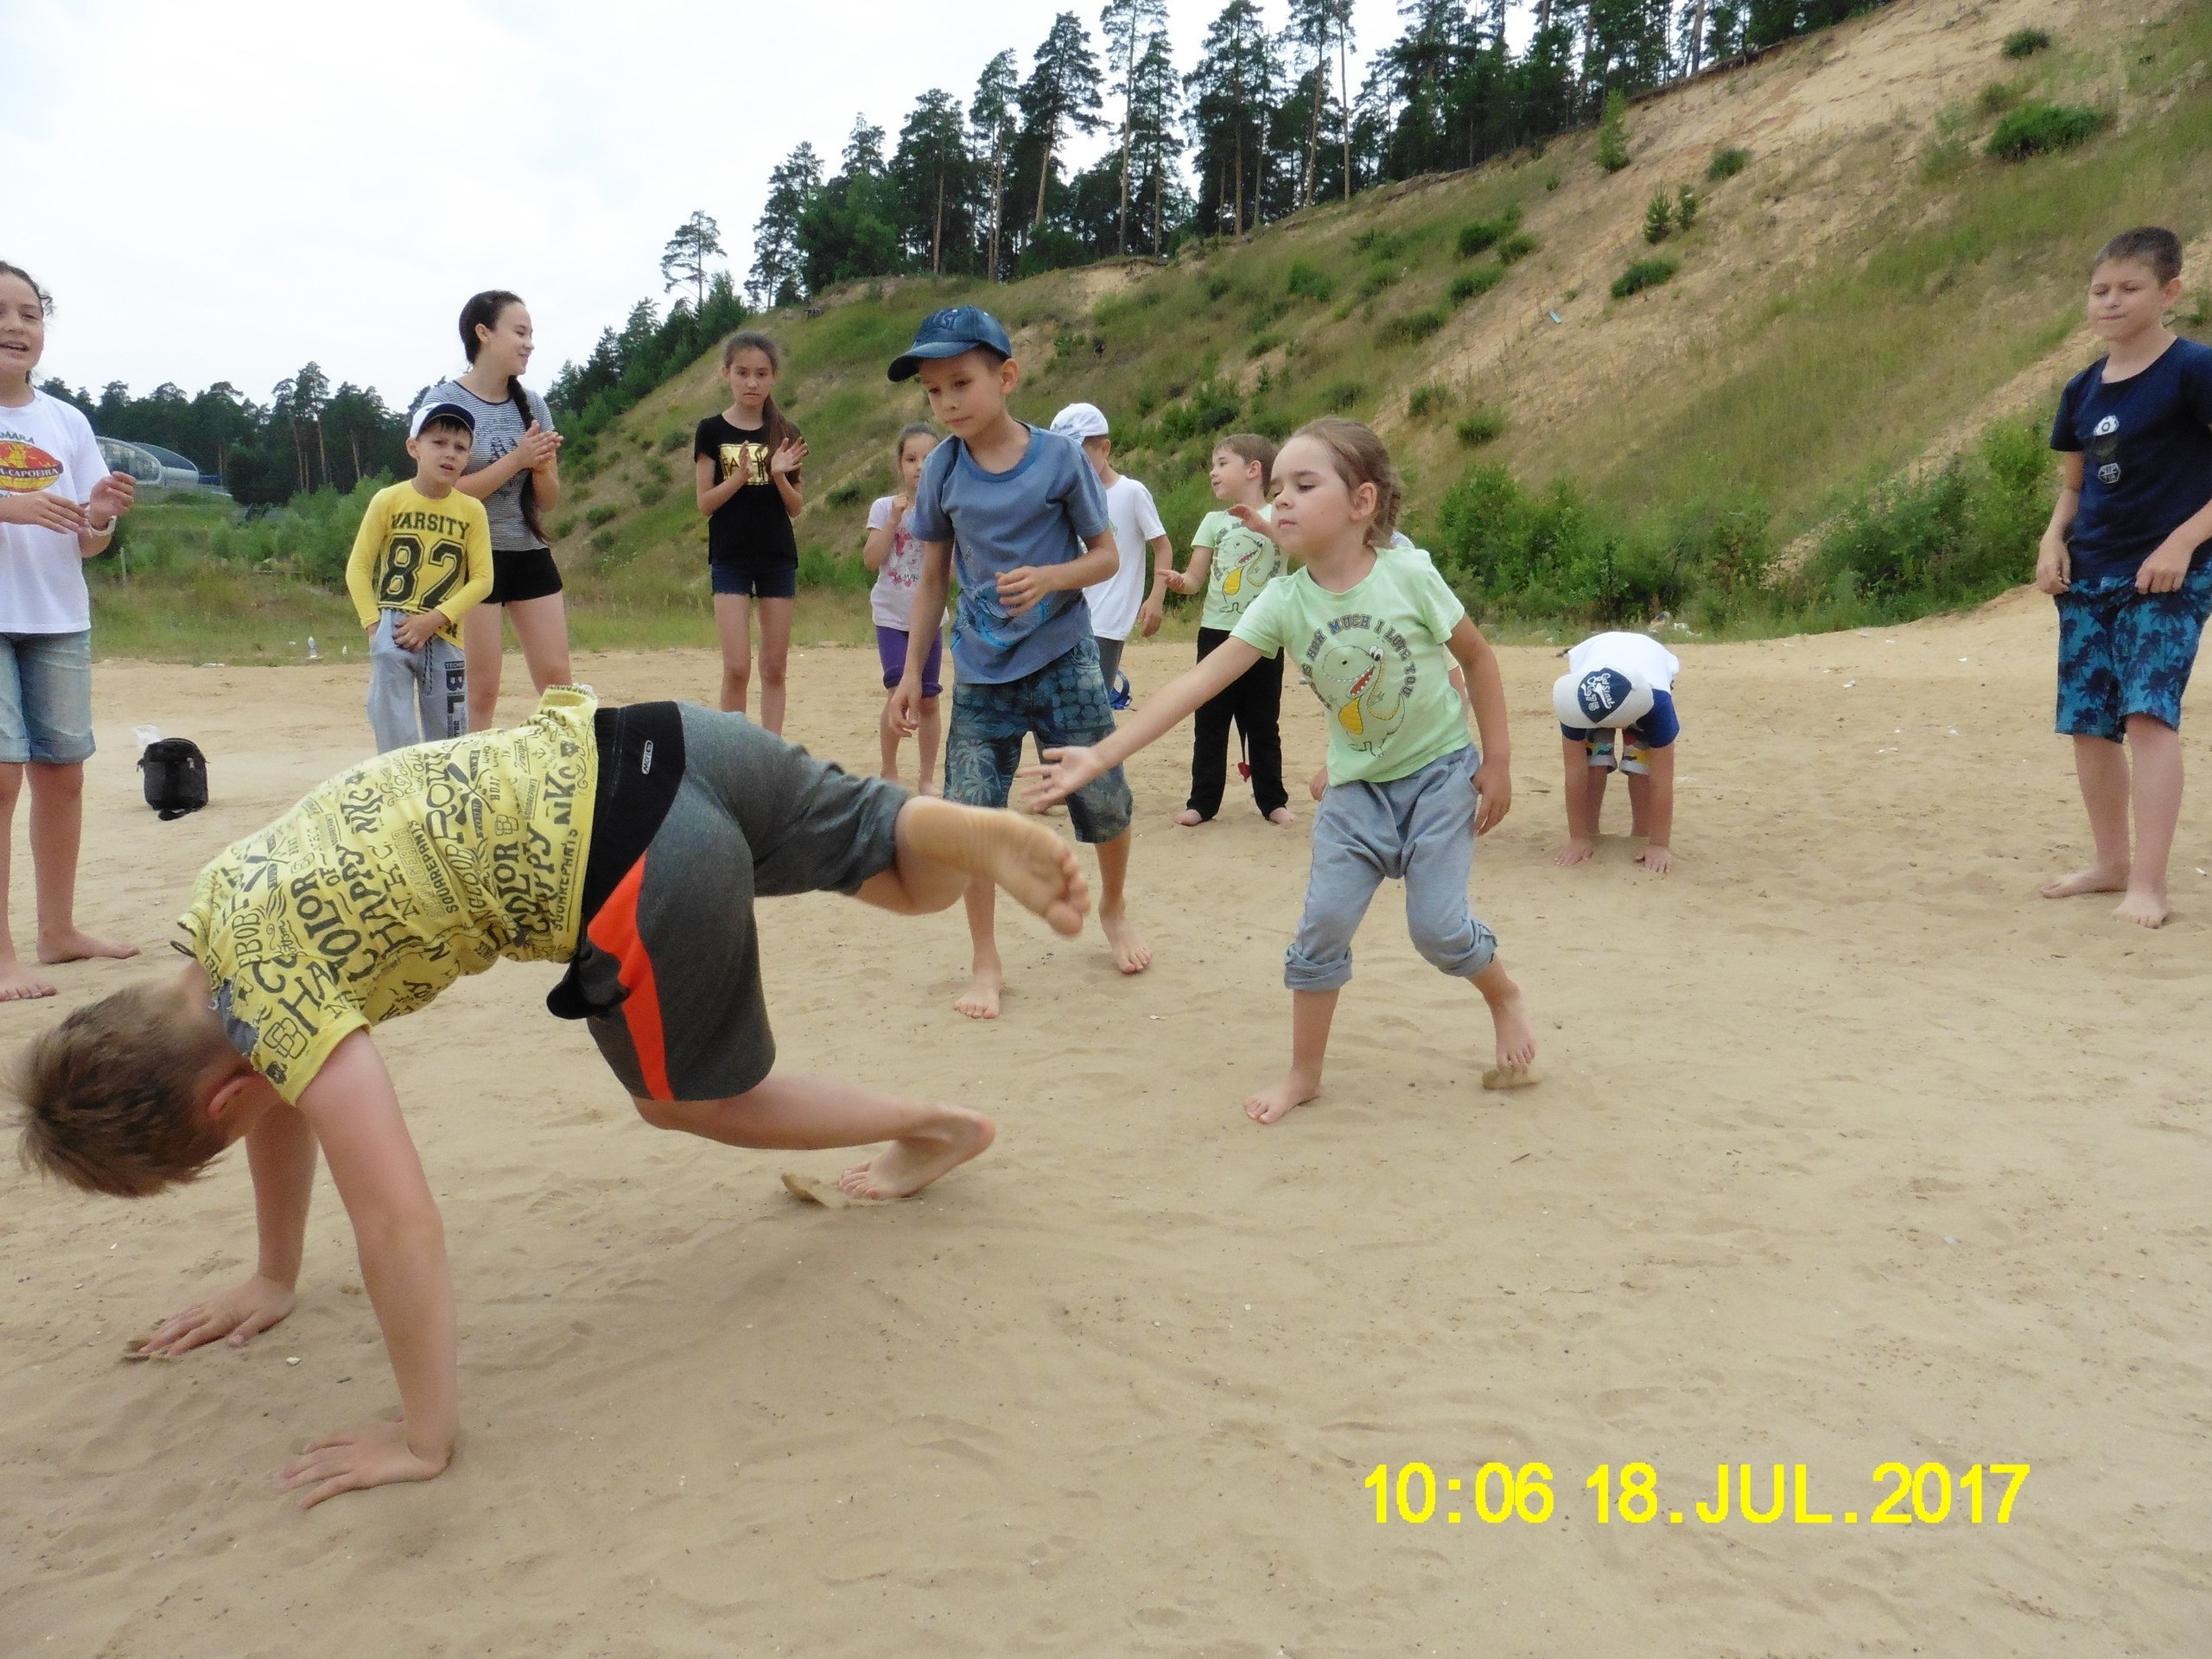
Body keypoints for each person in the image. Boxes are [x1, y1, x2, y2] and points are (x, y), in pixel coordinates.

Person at [10, 686, 1090, 1509]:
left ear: (220, 1102)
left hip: (638, 860)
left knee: (687, 1097)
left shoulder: (277, 1024)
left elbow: (395, 1220)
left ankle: (936, 1125)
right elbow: (271, 1096)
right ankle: (943, 831)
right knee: (897, 874)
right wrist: (273, 1272)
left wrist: (421, 1436)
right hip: (657, 739)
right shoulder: (216, 915)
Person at [1027, 418, 1536, 1123]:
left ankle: (1502, 995)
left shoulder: (1409, 574)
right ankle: (1305, 1074)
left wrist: (1499, 762)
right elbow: (1195, 686)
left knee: (1438, 930)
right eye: (1277, 490)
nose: (1281, 504)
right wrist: (1103, 752)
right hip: (1357, 791)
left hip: (1439, 777)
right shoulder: (1284, 601)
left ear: (1361, 504)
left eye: (1304, 486)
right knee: (1321, 928)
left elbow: (1478, 660)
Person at [885, 307, 1150, 1019]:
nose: (947, 403)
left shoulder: (1061, 460)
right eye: (934, 391)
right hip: (980, 671)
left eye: (961, 384)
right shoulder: (940, 469)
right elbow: (933, 578)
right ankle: (985, 959)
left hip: (1064, 658)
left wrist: (1050, 577)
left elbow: (1107, 556)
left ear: (1006, 376)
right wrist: (914, 673)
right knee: (975, 819)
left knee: (1104, 798)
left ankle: (1115, 908)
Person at [2035, 226, 2212, 929]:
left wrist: (2182, 542)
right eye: (2100, 289)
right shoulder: (2081, 388)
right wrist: (2053, 540)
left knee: (2147, 714)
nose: (2111, 301)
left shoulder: (2194, 369)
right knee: (2088, 723)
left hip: (2170, 576)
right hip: (2091, 573)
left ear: (2169, 291)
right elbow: (2075, 488)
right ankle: (2110, 865)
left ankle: (2149, 883)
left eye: (2129, 288)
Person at [0, 261, 140, 1001]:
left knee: (64, 773)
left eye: (29, 313)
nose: (15, 326)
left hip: (56, 615)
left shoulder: (66, 421)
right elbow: (22, 510)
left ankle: (58, 931)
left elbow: (91, 540)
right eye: (1, 311)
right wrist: (12, 506)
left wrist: (103, 511)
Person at [428, 290, 568, 732]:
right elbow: (440, 492)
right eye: (520, 332)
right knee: (480, 691)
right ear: (483, 334)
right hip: (468, 558)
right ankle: (470, 788)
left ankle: (568, 779)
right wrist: (518, 459)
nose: (529, 344)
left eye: (532, 335)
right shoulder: (447, 402)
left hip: (527, 550)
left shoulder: (535, 405)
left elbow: (548, 501)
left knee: (559, 686)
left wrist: (541, 467)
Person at [1147, 434, 1293, 827]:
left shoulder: (1280, 514)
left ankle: (1272, 801)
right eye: (1213, 465)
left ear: (1253, 470)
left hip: (1263, 635)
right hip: (1216, 633)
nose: (1213, 472)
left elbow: (1295, 547)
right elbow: (1197, 578)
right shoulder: (1213, 522)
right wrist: (1182, 582)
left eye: (1222, 463)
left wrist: (1262, 524)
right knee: (1210, 721)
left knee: (1263, 723)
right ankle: (1203, 802)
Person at [344, 401, 493, 753]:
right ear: (414, 447)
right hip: (393, 628)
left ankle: (447, 803)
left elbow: (483, 579)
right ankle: (402, 803)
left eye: (460, 447)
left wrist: (435, 619)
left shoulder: (472, 511)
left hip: (446, 634)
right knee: (394, 736)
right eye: (438, 443)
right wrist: (373, 626)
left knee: (451, 742)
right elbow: (359, 567)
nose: (449, 454)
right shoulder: (388, 500)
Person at [695, 332, 806, 731]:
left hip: (777, 556)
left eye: (761, 374)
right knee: (737, 667)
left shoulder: (786, 431)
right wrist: (739, 477)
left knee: (774, 669)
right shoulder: (711, 430)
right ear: (726, 374)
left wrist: (777, 475)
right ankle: (732, 754)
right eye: (742, 373)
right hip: (730, 558)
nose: (751, 382)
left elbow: (795, 507)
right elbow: (704, 503)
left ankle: (772, 756)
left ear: (774, 377)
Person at [1049, 402, 1170, 697]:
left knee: (1092, 701)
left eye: (1081, 454)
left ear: (1105, 448)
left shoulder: (1131, 493)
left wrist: (1156, 598)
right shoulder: (1066, 497)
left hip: (1108, 619)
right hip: (1069, 615)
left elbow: (1162, 547)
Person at [1548, 630, 1681, 874]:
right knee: (1593, 762)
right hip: (1595, 665)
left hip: (1646, 676)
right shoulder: (1575, 699)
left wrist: (1659, 844)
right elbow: (1575, 772)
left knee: (1641, 763)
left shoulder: (1659, 706)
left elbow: (1662, 781)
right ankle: (1589, 833)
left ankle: (1642, 835)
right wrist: (1577, 837)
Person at [862, 423, 944, 789]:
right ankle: (889, 769)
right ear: (899, 465)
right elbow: (871, 559)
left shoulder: (945, 509)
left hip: (929, 617)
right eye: (911, 458)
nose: (919, 467)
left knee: (928, 699)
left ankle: (926, 778)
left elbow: (952, 571)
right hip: (891, 615)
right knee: (897, 693)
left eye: (928, 459)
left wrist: (932, 535)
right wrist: (894, 521)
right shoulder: (884, 507)